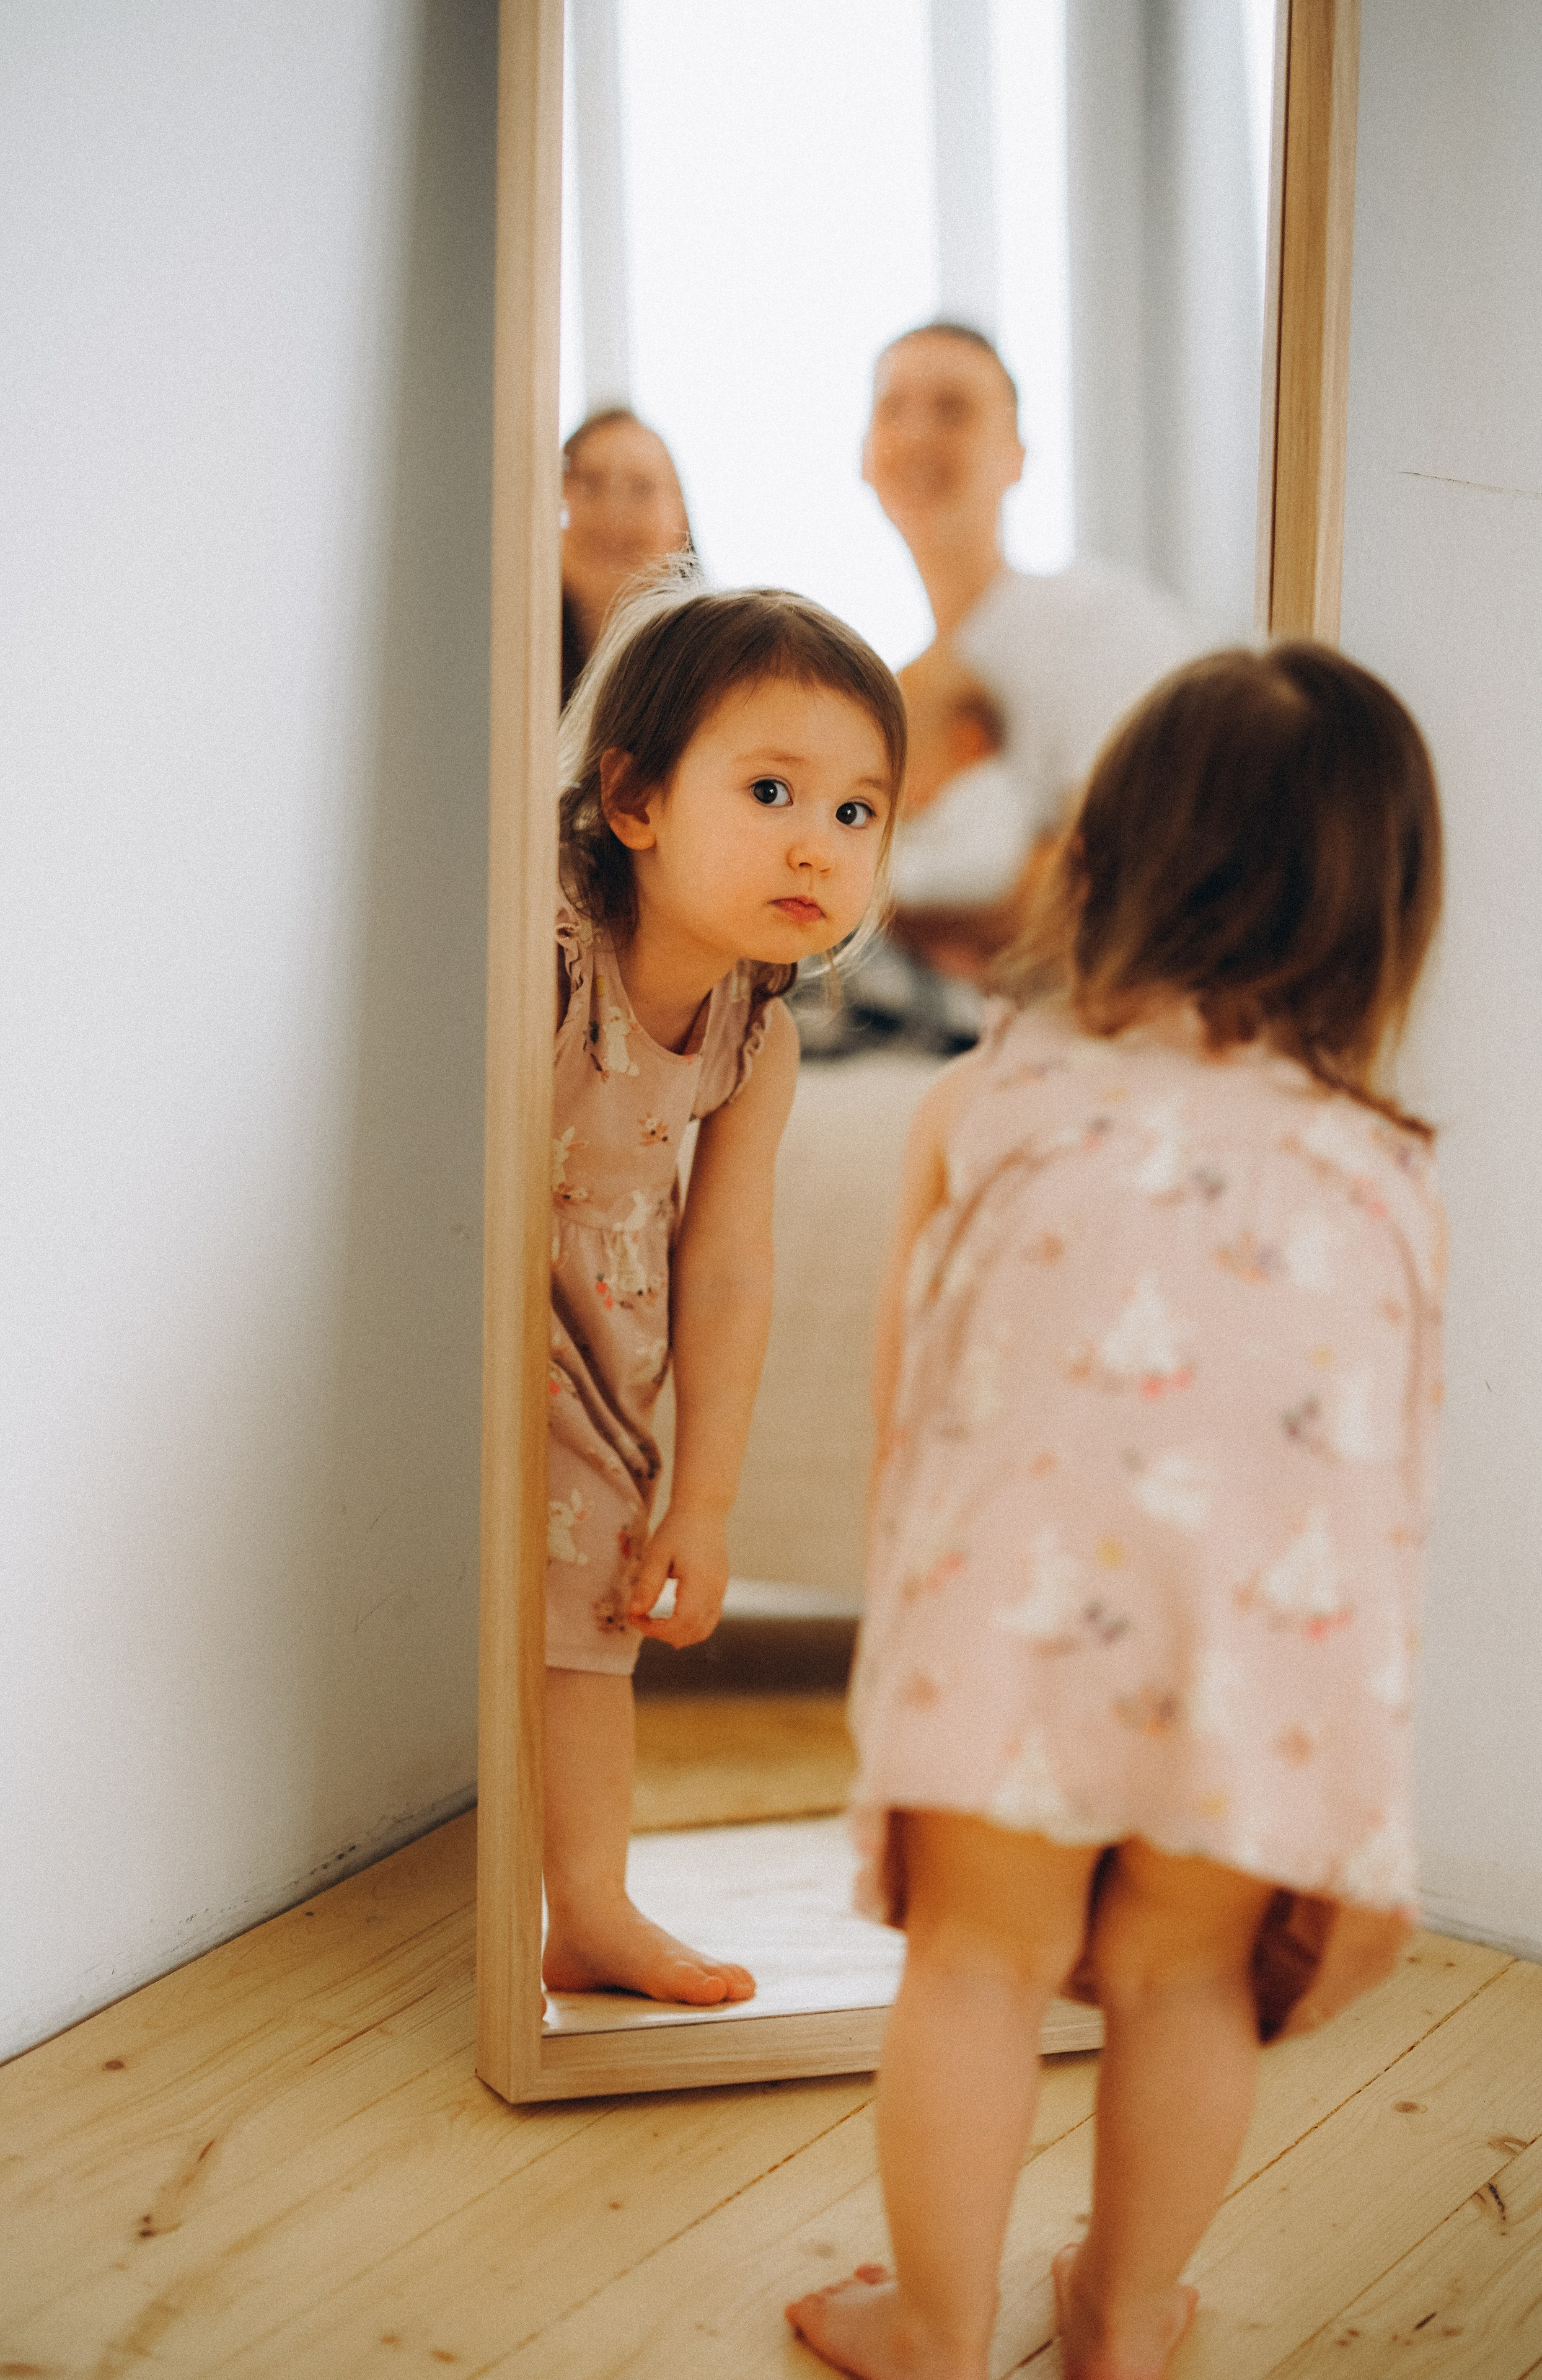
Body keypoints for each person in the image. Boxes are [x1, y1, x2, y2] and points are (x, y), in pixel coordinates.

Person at [787, 641, 1445, 2378]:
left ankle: (932, 2328)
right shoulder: (1388, 1170)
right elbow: (1384, 1475)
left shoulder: (997, 1090)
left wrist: (906, 1599)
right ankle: (1124, 2315)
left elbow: (904, 1397)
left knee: (978, 1968)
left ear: (1104, 858)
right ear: (1381, 919)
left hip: (1000, 1613)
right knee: (1182, 1984)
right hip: (1263, 1648)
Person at [545, 571, 905, 2005]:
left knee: (594, 1632)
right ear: (633, 804)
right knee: (551, 1632)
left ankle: (587, 1904)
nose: (815, 843)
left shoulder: (756, 1037)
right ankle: (568, 1893)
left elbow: (732, 1263)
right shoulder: (552, 964)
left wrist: (704, 1496)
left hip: (608, 1356)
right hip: (501, 1324)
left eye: (854, 811)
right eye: (769, 789)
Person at [836, 323, 1201, 1031]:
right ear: (863, 458)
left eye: (951, 409)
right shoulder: (906, 686)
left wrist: (863, 899)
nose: (916, 434)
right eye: (892, 409)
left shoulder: (1099, 620)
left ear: (1016, 458)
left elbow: (1121, 884)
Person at [560, 408, 693, 705]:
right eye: (591, 485)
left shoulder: (716, 667)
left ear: (681, 514)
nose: (615, 514)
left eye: (641, 488)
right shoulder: (506, 660)